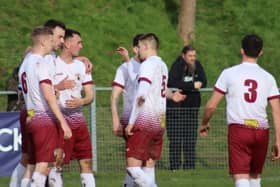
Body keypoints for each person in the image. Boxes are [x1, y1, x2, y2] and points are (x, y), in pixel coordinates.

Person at [199, 34, 280, 187]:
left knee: (241, 177)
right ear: (261, 52)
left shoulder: (229, 73)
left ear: (241, 50)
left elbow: (211, 105)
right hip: (261, 130)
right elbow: (276, 110)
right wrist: (278, 140)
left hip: (239, 129)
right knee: (255, 178)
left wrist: (204, 123)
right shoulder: (268, 77)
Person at [18, 26, 72, 187]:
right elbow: (48, 95)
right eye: (50, 40)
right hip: (43, 119)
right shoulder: (40, 62)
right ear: (42, 41)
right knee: (44, 165)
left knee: (31, 165)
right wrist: (63, 122)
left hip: (31, 115)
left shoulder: (25, 62)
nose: (52, 44)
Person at [52, 28, 95, 187]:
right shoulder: (52, 64)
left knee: (86, 163)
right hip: (59, 122)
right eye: (79, 42)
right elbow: (45, 90)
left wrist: (81, 101)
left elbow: (90, 95)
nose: (81, 46)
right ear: (68, 44)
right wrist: (58, 87)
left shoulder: (82, 66)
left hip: (79, 122)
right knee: (57, 164)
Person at [125, 33, 168, 187]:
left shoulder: (147, 64)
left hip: (145, 121)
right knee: (149, 165)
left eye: (140, 47)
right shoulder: (163, 66)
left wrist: (131, 122)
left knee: (132, 167)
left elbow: (141, 95)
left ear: (146, 46)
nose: (138, 52)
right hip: (159, 122)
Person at [166, 45, 207, 170]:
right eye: (190, 56)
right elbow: (173, 83)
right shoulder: (176, 66)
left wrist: (187, 86)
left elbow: (204, 81)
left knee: (190, 140)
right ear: (183, 55)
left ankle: (189, 167)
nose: (192, 58)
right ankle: (175, 166)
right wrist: (192, 85)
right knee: (176, 140)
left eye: (194, 56)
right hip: (176, 111)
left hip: (192, 110)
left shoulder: (197, 65)